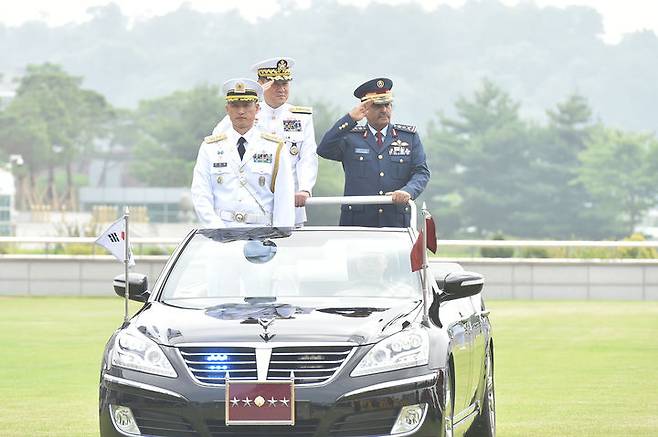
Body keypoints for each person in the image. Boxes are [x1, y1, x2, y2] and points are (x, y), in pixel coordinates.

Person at [212, 57, 318, 226]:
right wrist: (253, 95)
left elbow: (307, 157)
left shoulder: (300, 116)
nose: (282, 89)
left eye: (285, 84)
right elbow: (217, 135)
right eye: (275, 84)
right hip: (254, 201)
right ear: (262, 84)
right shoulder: (248, 110)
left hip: (290, 200)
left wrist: (304, 189)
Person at [317, 77, 430, 228]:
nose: (384, 110)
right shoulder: (351, 137)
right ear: (365, 108)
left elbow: (421, 172)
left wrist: (408, 191)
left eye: (387, 105)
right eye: (377, 105)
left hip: (395, 221)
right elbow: (324, 149)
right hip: (357, 222)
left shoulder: (408, 137)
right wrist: (350, 119)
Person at [191, 78, 295, 228]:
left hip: (261, 232)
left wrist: (280, 233)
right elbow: (200, 193)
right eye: (235, 105)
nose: (241, 111)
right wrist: (216, 229)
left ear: (257, 109)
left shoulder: (275, 147)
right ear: (227, 109)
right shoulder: (210, 147)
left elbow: (284, 197)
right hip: (221, 230)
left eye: (246, 105)